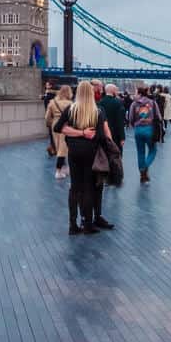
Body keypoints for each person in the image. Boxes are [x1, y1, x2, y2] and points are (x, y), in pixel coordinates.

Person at [55, 80, 114, 234]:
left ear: (78, 93)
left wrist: (76, 133)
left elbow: (57, 127)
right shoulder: (98, 112)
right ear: (91, 93)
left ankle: (72, 225)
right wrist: (86, 134)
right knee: (88, 187)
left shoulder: (71, 109)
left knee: (75, 188)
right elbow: (101, 136)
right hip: (91, 153)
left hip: (74, 152)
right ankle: (88, 224)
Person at [128, 85, 162, 183]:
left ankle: (142, 173)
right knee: (153, 150)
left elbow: (130, 118)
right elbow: (159, 117)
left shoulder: (134, 104)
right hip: (150, 130)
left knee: (140, 152)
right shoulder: (153, 103)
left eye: (135, 92)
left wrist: (136, 124)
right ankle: (145, 168)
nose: (134, 95)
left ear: (139, 93)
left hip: (138, 130)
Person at [45, 85, 73, 178]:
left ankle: (64, 168)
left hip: (55, 124)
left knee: (59, 147)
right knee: (64, 148)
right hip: (66, 125)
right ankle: (58, 171)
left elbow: (47, 117)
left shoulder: (52, 102)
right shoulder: (71, 103)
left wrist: (49, 124)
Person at [97, 84, 126, 150]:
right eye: (116, 90)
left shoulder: (100, 103)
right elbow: (120, 121)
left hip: (102, 133)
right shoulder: (118, 103)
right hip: (115, 134)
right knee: (116, 155)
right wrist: (122, 137)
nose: (117, 92)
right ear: (113, 91)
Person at [42, 81, 57, 156]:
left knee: (52, 134)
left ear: (51, 86)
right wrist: (43, 97)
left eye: (47, 84)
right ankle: (54, 148)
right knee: (54, 134)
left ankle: (54, 149)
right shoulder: (54, 95)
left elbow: (48, 104)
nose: (45, 85)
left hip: (50, 117)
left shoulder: (49, 95)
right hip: (55, 117)